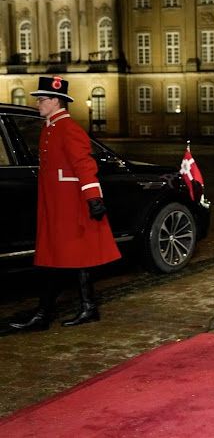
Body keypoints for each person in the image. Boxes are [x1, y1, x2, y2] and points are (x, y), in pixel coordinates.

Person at [10, 76, 121, 332]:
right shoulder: (49, 128)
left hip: (70, 205)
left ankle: (53, 313)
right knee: (58, 256)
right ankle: (74, 309)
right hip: (55, 205)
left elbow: (85, 165)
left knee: (66, 256)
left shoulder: (68, 128)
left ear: (56, 101)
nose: (38, 103)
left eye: (42, 100)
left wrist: (94, 198)